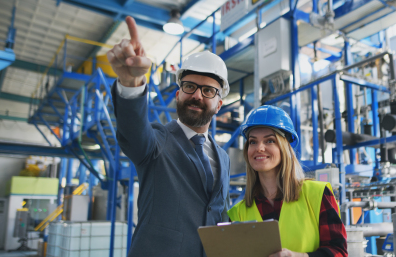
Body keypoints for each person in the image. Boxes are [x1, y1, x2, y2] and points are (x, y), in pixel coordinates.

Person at [107, 16, 230, 256]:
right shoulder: (157, 142)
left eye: (208, 90)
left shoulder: (223, 157)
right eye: (189, 86)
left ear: (219, 105)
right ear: (177, 94)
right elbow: (134, 132)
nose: (197, 95)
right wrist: (131, 83)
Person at [228, 105, 348, 257]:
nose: (259, 148)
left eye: (270, 141)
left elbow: (339, 253)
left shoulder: (317, 194)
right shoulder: (237, 212)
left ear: (285, 147)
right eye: (253, 142)